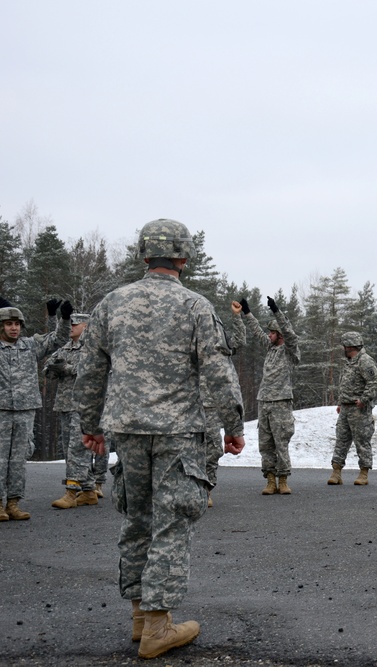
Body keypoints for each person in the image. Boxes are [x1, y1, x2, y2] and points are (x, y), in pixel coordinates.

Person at [77, 219, 245, 659]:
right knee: (172, 521)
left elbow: (90, 370)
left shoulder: (111, 304)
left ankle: (138, 618)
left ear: (144, 255)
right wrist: (233, 426)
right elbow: (217, 371)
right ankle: (157, 627)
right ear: (184, 258)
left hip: (127, 429)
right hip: (178, 432)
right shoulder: (194, 306)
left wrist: (90, 425)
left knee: (136, 518)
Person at [0, 297, 70, 521]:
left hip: (25, 409)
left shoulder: (29, 346)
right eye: (9, 324)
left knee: (19, 459)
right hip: (1, 410)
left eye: (17, 324)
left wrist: (62, 319)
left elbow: (57, 340)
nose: (14, 328)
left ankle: (13, 503)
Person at [242, 296, 299, 495]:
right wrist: (247, 312)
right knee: (265, 443)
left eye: (272, 332)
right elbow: (257, 332)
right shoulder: (270, 349)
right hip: (264, 401)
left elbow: (291, 334)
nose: (268, 335)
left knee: (281, 442)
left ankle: (283, 479)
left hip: (281, 402)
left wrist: (276, 311)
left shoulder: (290, 351)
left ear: (280, 334)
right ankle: (270, 479)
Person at [48, 311, 99, 509]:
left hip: (85, 406)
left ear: (85, 326)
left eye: (74, 325)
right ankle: (88, 490)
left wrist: (66, 369)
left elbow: (92, 370)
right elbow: (49, 368)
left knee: (77, 448)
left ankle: (71, 491)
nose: (70, 328)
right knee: (69, 448)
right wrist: (55, 368)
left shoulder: (93, 347)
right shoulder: (65, 348)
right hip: (65, 404)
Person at [201, 301, 247, 507]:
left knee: (211, 448)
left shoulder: (219, 341)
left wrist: (237, 317)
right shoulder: (186, 338)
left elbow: (238, 341)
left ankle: (206, 489)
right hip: (185, 404)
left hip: (211, 403)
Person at [330, 332, 377, 486]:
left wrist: (364, 399)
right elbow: (344, 384)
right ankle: (336, 472)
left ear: (350, 345)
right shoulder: (349, 362)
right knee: (341, 440)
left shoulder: (365, 361)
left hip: (359, 409)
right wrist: (340, 402)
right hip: (345, 408)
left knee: (362, 441)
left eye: (345, 346)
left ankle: (363, 473)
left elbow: (374, 382)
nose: (343, 348)